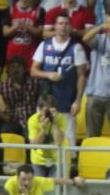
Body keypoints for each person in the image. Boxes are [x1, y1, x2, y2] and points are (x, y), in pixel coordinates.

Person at [30, 14, 88, 147]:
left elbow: (81, 76)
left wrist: (78, 101)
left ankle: (69, 166)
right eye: (60, 23)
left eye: (66, 24)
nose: (63, 26)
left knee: (68, 143)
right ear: (55, 26)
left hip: (67, 102)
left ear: (71, 27)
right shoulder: (44, 45)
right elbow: (33, 71)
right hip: (46, 100)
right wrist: (48, 75)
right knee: (43, 139)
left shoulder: (76, 48)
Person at [82, 17, 110, 141]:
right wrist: (100, 27)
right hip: (95, 94)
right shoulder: (99, 40)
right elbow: (85, 38)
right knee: (92, 136)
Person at [0, 56, 39, 136]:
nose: (16, 70)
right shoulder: (2, 86)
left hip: (31, 120)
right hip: (13, 121)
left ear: (24, 69)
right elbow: (0, 110)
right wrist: (4, 116)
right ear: (9, 70)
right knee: (6, 131)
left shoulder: (34, 83)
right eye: (13, 67)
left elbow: (40, 102)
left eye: (19, 67)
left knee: (31, 133)